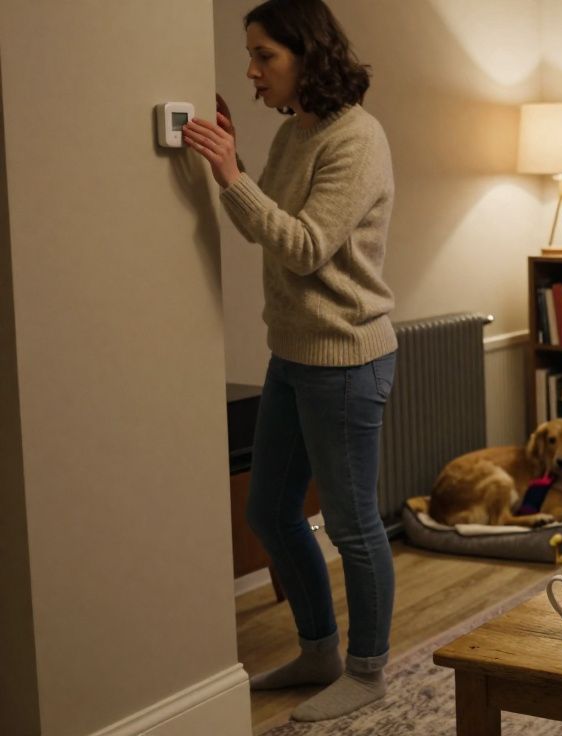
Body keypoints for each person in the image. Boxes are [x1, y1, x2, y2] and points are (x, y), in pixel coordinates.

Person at [182, 0, 397, 722]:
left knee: (351, 523)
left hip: (345, 359)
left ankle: (366, 672)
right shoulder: (296, 132)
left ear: (308, 54)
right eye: (251, 54)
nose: (251, 70)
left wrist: (228, 172)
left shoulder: (356, 139)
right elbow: (261, 227)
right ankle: (319, 650)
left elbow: (304, 246)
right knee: (271, 512)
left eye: (264, 55)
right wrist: (234, 164)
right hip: (294, 352)